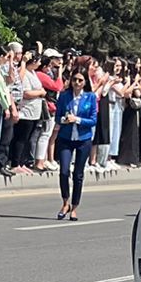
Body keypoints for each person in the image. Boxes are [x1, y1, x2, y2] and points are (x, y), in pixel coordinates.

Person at [54, 70, 98, 220]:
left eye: (80, 80)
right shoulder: (64, 96)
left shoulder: (90, 97)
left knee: (78, 174)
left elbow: (93, 120)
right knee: (64, 171)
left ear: (85, 82)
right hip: (66, 137)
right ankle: (65, 201)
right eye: (75, 80)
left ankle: (74, 207)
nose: (77, 83)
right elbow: (57, 117)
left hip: (83, 139)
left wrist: (77, 119)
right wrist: (64, 120)